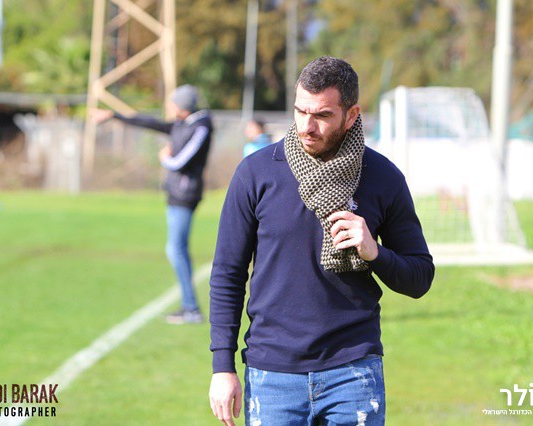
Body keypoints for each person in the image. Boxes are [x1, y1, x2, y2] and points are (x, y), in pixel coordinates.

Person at [208, 57, 434, 425]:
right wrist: (222, 366)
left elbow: (420, 277)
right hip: (272, 374)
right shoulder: (256, 172)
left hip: (353, 372)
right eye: (300, 111)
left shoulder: (383, 177)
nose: (306, 126)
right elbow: (227, 273)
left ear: (351, 115)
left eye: (322, 115)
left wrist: (375, 253)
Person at [92, 84, 212, 324]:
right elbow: (149, 123)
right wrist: (114, 116)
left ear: (183, 106)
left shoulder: (201, 126)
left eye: (173, 103)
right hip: (175, 193)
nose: (170, 107)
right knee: (175, 249)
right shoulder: (181, 124)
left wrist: (165, 159)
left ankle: (191, 308)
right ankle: (189, 305)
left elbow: (181, 161)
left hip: (185, 194)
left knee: (176, 250)